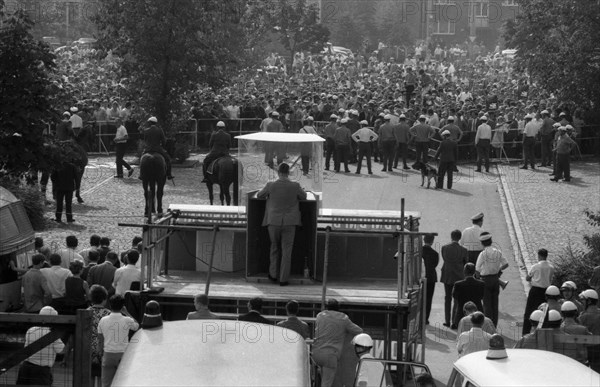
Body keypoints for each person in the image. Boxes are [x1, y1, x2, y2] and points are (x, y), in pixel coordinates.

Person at [257, 163, 307, 286]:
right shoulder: (295, 185)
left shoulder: (270, 184)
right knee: (287, 252)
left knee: (274, 248)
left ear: (278, 172)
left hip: (273, 221)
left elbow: (259, 195)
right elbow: (304, 197)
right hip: (290, 222)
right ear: (288, 172)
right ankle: (283, 279)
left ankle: (273, 275)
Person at [312, 299, 363, 387]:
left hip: (315, 354)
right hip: (330, 356)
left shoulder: (320, 315)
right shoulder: (343, 318)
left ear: (327, 307)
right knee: (326, 384)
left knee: (314, 380)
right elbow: (359, 330)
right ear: (338, 308)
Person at [15, 306, 65, 386]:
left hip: (25, 367)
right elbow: (62, 350)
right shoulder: (52, 334)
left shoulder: (31, 330)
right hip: (41, 371)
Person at [98, 295, 139, 387]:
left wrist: (101, 353)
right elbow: (136, 326)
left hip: (108, 354)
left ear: (110, 305)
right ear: (122, 306)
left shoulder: (103, 320)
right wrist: (126, 312)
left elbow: (100, 340)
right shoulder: (127, 320)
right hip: (123, 355)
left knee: (106, 384)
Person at [475, 232, 509, 326]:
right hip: (495, 279)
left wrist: (478, 279)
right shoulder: (498, 252)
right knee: (495, 303)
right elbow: (506, 264)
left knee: (487, 305)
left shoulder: (483, 254)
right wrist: (498, 270)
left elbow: (477, 269)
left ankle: (487, 325)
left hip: (485, 280)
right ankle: (494, 324)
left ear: (482, 243)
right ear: (491, 241)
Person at [522, 248, 554, 335]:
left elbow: (528, 278)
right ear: (546, 256)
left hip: (535, 291)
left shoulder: (535, 266)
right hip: (546, 292)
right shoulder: (551, 267)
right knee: (543, 313)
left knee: (529, 312)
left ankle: (526, 333)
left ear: (539, 256)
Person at [440, 230, 468, 328]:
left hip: (447, 276)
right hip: (459, 277)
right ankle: (454, 322)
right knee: (457, 300)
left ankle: (447, 320)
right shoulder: (464, 250)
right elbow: (466, 263)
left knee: (447, 298)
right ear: (459, 238)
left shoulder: (444, 248)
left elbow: (444, 258)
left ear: (451, 236)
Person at [87, 285, 111, 385]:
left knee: (91, 375)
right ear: (104, 299)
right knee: (102, 376)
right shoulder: (108, 313)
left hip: (89, 348)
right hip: (104, 347)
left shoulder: (86, 312)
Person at [579, 289, 600, 372]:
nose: (581, 302)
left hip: (590, 350)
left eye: (583, 300)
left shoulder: (582, 317)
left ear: (589, 301)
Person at [422, 234, 438, 325]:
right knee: (428, 299)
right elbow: (434, 265)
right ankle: (426, 318)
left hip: (420, 277)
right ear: (432, 241)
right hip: (431, 278)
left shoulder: (419, 251)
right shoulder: (435, 253)